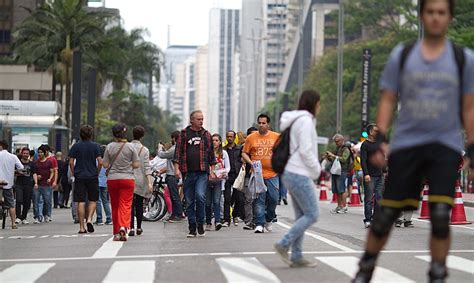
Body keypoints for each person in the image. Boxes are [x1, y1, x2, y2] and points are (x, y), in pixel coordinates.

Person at [353, 0, 474, 282]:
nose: (435, 18)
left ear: (449, 17)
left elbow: (469, 107)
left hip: (444, 146)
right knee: (386, 216)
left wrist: (471, 146)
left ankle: (438, 272)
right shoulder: (404, 55)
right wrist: (380, 138)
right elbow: (387, 98)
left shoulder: (462, 59)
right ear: (422, 16)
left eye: (441, 12)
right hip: (408, 145)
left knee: (441, 216)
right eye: (430, 12)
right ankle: (365, 269)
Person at [274, 90, 322, 267]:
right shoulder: (306, 121)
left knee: (302, 215)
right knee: (312, 214)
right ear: (313, 103)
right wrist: (317, 170)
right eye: (318, 103)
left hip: (290, 172)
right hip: (299, 172)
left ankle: (297, 256)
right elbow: (306, 150)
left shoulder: (295, 120)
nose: (320, 107)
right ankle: (283, 243)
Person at [173, 110, 216, 238]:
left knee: (200, 196)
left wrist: (212, 170)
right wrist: (176, 169)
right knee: (190, 201)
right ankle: (192, 227)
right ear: (191, 120)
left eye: (202, 119)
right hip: (188, 173)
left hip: (202, 172)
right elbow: (178, 153)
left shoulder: (206, 134)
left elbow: (211, 154)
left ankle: (200, 223)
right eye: (198, 119)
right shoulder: (184, 134)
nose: (201, 121)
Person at [242, 114, 280, 233]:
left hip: (273, 174)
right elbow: (244, 153)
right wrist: (250, 162)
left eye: (264, 123)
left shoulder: (276, 137)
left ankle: (269, 219)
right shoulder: (251, 138)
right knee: (259, 200)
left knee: (273, 199)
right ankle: (259, 224)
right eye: (260, 123)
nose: (261, 125)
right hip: (257, 174)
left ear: (268, 124)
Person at [103, 123, 140, 241]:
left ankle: (116, 233)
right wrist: (127, 165)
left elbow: (105, 164)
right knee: (125, 204)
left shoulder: (109, 147)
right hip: (127, 179)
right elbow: (136, 164)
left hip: (112, 179)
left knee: (115, 205)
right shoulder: (131, 147)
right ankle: (124, 226)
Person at [69, 125, 102, 234]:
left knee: (81, 201)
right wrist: (97, 172)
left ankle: (82, 227)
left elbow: (70, 162)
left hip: (79, 176)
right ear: (91, 134)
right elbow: (100, 161)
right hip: (92, 176)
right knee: (93, 199)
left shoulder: (76, 146)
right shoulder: (96, 146)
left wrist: (74, 172)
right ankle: (89, 219)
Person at [129, 126, 153, 236]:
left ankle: (131, 227)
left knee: (129, 205)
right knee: (139, 204)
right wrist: (149, 182)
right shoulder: (145, 150)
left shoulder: (127, 147)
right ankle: (139, 227)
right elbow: (147, 167)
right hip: (140, 181)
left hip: (128, 179)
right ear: (142, 136)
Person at [360, 124, 384, 228]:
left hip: (380, 175)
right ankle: (368, 219)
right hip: (370, 175)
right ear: (370, 132)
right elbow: (363, 160)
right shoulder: (365, 145)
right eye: (375, 131)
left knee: (379, 198)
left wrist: (384, 171)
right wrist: (366, 174)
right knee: (369, 199)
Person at [158, 130, 185, 222]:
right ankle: (174, 214)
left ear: (174, 138)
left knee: (174, 195)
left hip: (172, 175)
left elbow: (162, 155)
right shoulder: (179, 148)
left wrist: (160, 148)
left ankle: (179, 214)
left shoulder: (175, 148)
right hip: (174, 175)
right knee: (174, 195)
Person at [205, 134, 230, 231]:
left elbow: (228, 167)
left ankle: (217, 221)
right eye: (213, 140)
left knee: (216, 201)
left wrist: (222, 173)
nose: (214, 142)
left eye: (216, 140)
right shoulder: (207, 153)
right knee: (207, 202)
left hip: (218, 180)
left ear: (220, 142)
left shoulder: (223, 153)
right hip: (208, 179)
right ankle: (208, 222)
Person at [0, 140, 24, 229]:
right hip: (8, 184)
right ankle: (13, 223)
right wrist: (14, 171)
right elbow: (21, 168)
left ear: (1, 146)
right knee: (11, 204)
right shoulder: (13, 157)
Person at [223, 130, 244, 226]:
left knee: (239, 198)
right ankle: (227, 219)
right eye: (228, 136)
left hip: (237, 175)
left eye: (231, 136)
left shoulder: (239, 149)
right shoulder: (223, 150)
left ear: (234, 137)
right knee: (227, 198)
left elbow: (243, 159)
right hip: (227, 176)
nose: (229, 138)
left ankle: (235, 215)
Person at [326, 134, 351, 214]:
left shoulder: (345, 148)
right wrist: (329, 157)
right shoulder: (337, 148)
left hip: (342, 171)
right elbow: (334, 159)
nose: (336, 143)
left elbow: (344, 159)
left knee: (341, 189)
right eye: (335, 142)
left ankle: (344, 206)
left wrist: (333, 156)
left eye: (337, 141)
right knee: (336, 190)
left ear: (342, 140)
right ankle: (339, 206)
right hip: (336, 170)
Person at [33, 145, 55, 224]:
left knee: (47, 201)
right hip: (38, 184)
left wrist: (50, 178)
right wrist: (36, 182)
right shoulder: (36, 163)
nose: (40, 154)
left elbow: (52, 171)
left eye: (41, 152)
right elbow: (34, 173)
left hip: (46, 184)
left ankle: (47, 215)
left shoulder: (49, 161)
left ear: (44, 153)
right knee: (36, 201)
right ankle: (37, 216)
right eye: (38, 152)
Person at [242, 126, 258, 230]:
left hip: (260, 176)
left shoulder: (261, 147)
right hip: (248, 175)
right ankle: (249, 221)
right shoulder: (244, 148)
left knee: (258, 199)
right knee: (249, 198)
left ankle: (258, 221)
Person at [14, 147, 35, 224]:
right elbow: (13, 171)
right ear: (21, 154)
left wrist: (35, 183)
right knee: (19, 200)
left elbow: (34, 173)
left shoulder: (32, 164)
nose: (26, 155)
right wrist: (17, 172)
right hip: (19, 184)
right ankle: (18, 217)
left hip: (28, 184)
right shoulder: (17, 163)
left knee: (27, 202)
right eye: (24, 153)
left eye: (27, 153)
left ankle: (24, 217)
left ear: (29, 154)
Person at [95, 145, 112, 225]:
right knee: (105, 200)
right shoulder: (108, 161)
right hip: (105, 182)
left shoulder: (97, 161)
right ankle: (109, 218)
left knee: (98, 201)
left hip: (97, 181)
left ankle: (99, 218)